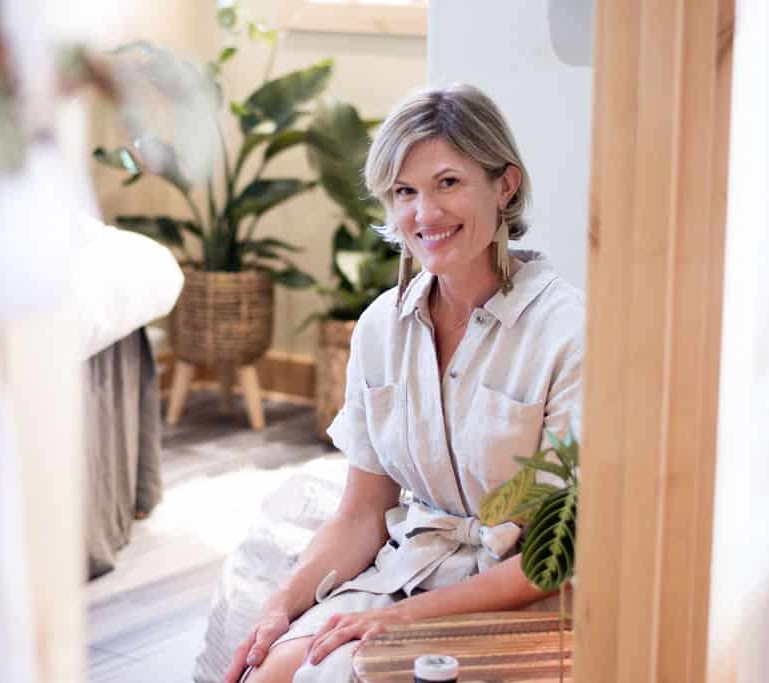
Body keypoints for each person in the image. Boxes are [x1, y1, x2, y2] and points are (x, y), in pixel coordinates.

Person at [223, 84, 585, 683]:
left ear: (505, 185)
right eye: (404, 192)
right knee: (273, 673)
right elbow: (364, 514)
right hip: (410, 567)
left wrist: (405, 620)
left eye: (448, 183)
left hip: (523, 593)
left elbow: (554, 561)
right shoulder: (378, 328)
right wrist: (280, 607)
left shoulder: (568, 332)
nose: (425, 214)